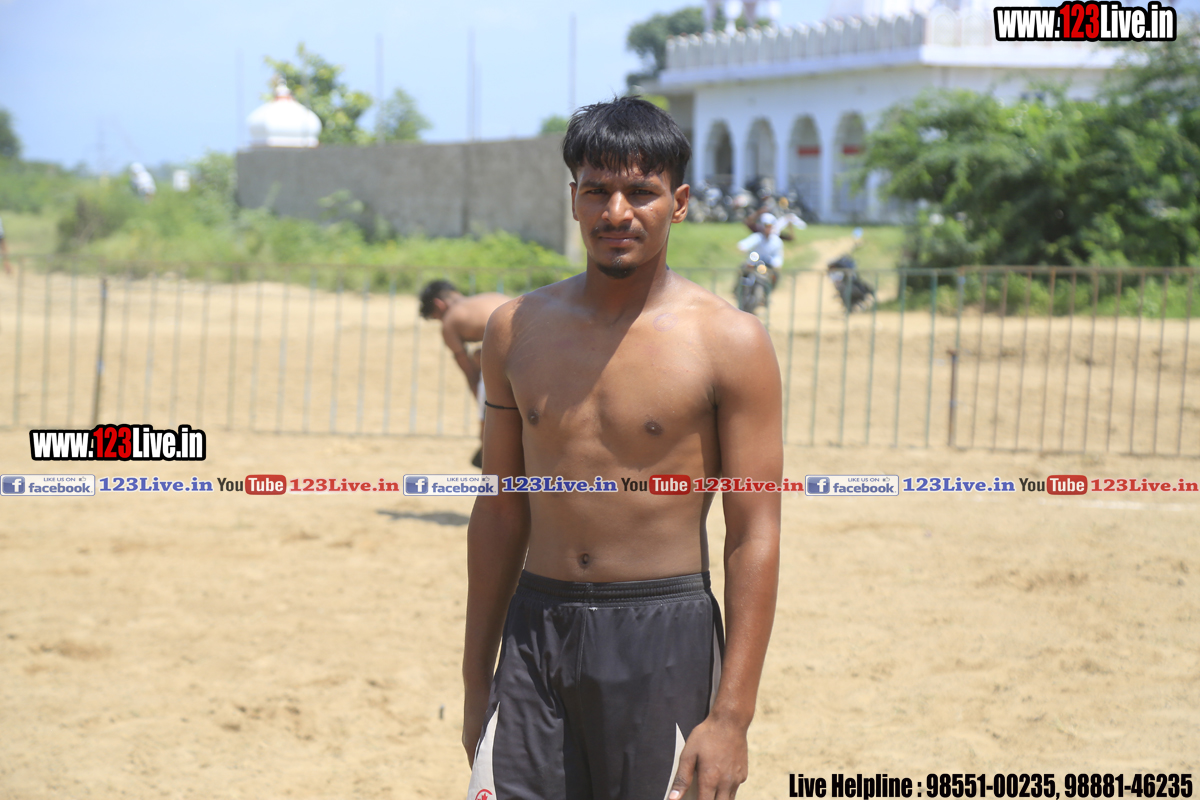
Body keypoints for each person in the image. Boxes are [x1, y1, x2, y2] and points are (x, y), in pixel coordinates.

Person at [462, 97, 782, 800]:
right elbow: (500, 510)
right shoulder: (515, 330)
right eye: (597, 190)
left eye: (641, 191)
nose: (617, 212)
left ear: (680, 203)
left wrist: (732, 717)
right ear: (573, 199)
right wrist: (475, 678)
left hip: (664, 637)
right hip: (535, 632)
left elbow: (754, 531)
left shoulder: (730, 342)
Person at [419, 280, 510, 467]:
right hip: (540, 347)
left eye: (437, 317)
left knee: (492, 425)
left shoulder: (450, 323)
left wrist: (486, 410)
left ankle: (492, 462)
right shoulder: (492, 297)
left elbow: (471, 375)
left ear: (439, 305)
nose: (441, 321)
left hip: (509, 357)